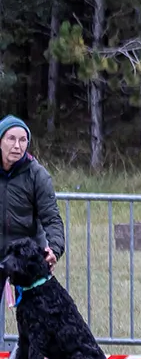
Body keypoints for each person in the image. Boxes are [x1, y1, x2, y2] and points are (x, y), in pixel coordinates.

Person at [0, 117, 66, 347]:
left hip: (25, 258)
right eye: (11, 139)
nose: (17, 146)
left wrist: (54, 249)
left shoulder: (38, 175)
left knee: (35, 319)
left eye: (23, 140)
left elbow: (52, 218)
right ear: (0, 141)